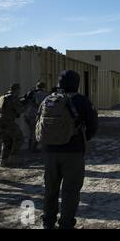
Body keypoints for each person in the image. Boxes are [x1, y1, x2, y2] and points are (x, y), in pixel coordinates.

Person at [40, 70, 98, 229]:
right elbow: (93, 126)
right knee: (70, 191)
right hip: (73, 152)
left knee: (50, 189)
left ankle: (48, 222)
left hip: (49, 152)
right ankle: (65, 224)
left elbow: (38, 124)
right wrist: (81, 138)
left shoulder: (48, 99)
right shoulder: (82, 101)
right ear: (77, 83)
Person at [0, 83, 25, 168]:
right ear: (17, 90)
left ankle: (3, 161)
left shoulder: (2, 96)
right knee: (19, 139)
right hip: (6, 121)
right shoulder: (12, 98)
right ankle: (12, 160)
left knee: (6, 141)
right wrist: (25, 103)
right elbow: (20, 110)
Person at [23, 81, 48, 153]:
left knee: (31, 131)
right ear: (43, 87)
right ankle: (33, 148)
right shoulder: (43, 94)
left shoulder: (32, 92)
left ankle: (30, 147)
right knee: (35, 131)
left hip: (27, 114)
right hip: (34, 114)